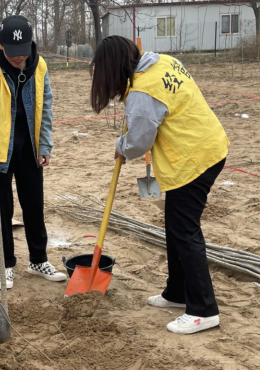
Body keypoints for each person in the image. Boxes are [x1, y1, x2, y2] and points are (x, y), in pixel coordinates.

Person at [89, 35, 229, 334]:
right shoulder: (163, 61)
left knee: (185, 231)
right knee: (176, 227)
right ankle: (177, 292)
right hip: (208, 145)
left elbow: (139, 141)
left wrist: (122, 146)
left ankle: (204, 310)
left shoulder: (142, 91)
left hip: (193, 160)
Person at [0, 15, 67, 290]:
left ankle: (38, 260)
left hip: (30, 150)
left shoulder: (40, 66)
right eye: (12, 51)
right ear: (0, 44)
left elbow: (46, 107)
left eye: (23, 50)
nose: (19, 57)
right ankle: (7, 265)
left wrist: (45, 145)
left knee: (34, 206)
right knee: (1, 211)